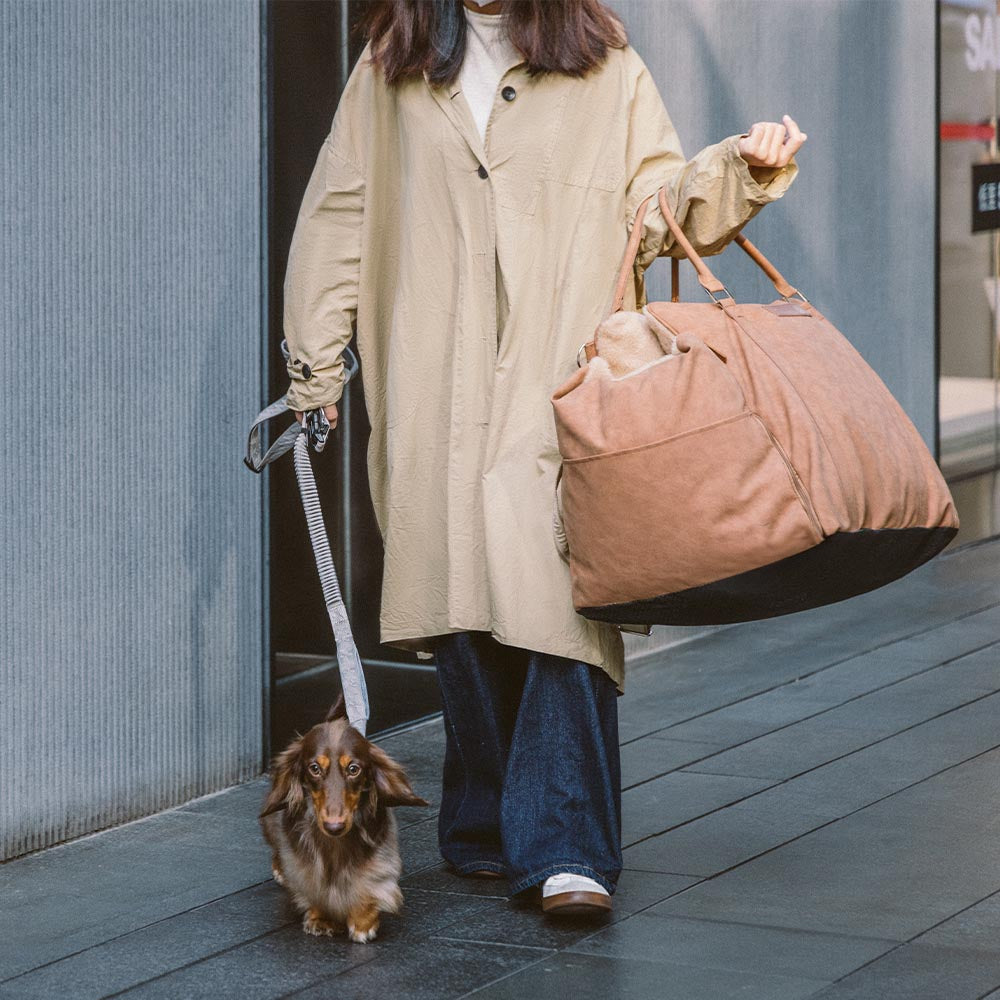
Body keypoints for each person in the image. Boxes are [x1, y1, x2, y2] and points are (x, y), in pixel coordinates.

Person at [284, 0, 805, 917]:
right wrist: (316, 366)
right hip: (434, 388)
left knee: (562, 610)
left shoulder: (602, 63)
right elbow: (340, 209)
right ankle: (485, 826)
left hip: (557, 385)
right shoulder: (391, 66)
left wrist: (741, 168)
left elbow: (658, 205)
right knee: (463, 612)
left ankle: (567, 848)